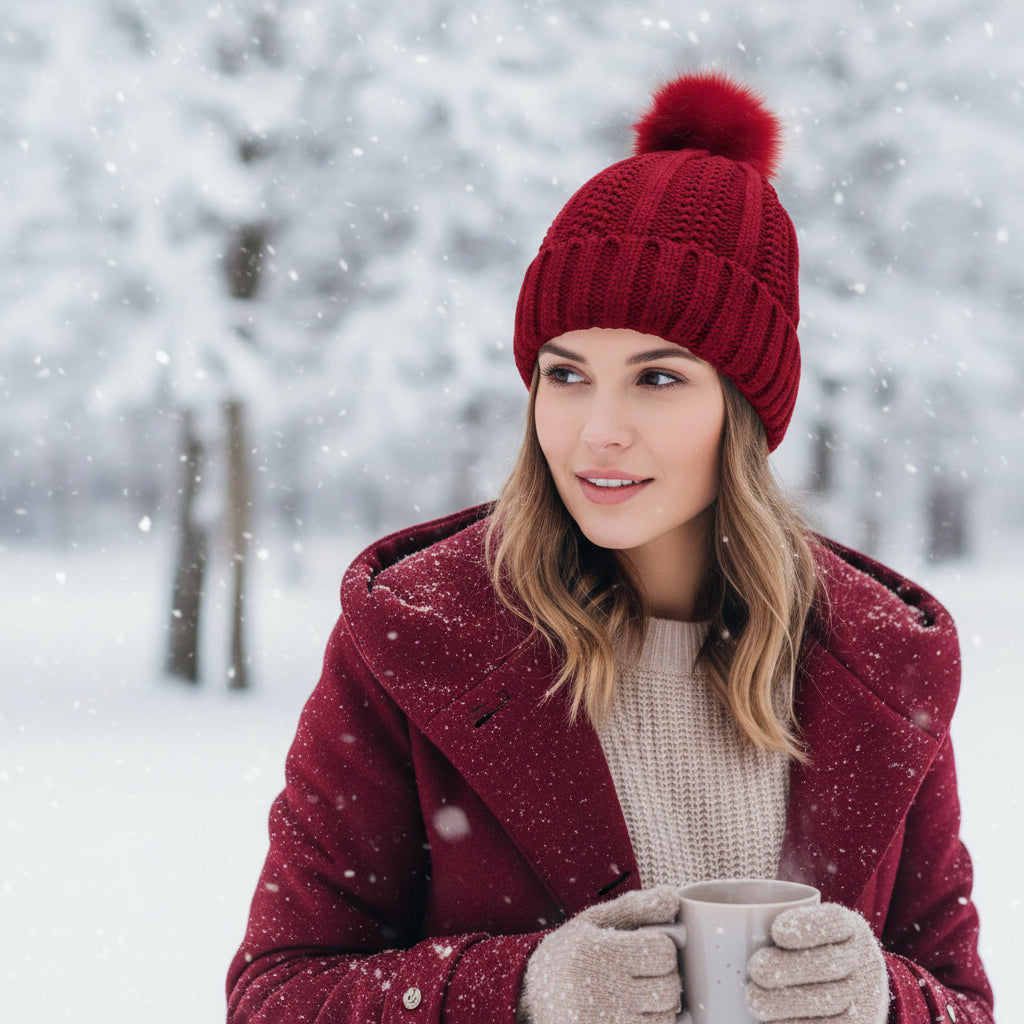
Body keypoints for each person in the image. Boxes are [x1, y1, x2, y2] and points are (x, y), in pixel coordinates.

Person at [226, 71, 995, 1024]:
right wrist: (521, 991)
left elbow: (961, 1000)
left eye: (658, 378)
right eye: (567, 375)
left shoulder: (879, 666)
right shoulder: (419, 644)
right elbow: (278, 996)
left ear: (744, 412)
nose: (598, 430)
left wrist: (887, 1000)